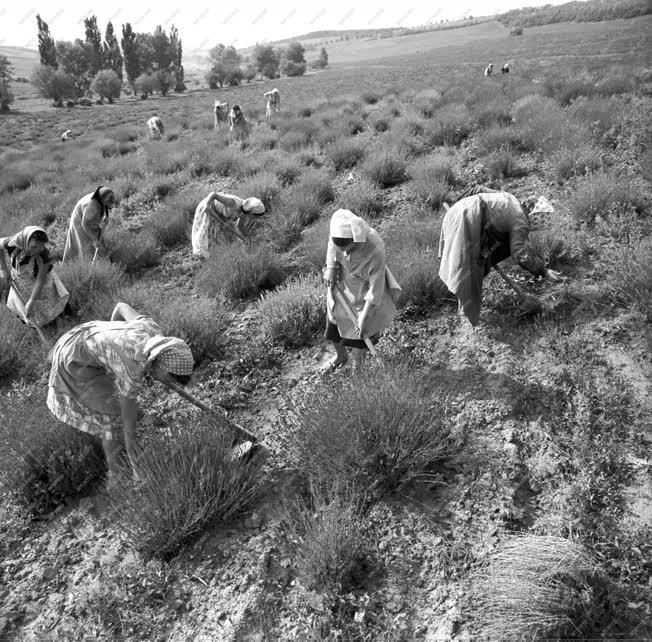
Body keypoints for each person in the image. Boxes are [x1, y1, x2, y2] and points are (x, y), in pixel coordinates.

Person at [47, 302, 195, 480]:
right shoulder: (132, 369)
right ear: (158, 364)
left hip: (81, 334)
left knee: (120, 402)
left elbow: (119, 307)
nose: (167, 383)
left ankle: (142, 421)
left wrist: (111, 352)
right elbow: (128, 429)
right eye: (167, 378)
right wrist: (138, 468)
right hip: (74, 360)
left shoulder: (151, 329)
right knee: (113, 418)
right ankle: (117, 474)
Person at [438, 189, 563, 326]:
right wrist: (543, 271)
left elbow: (479, 189)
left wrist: (460, 203)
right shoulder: (520, 219)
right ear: (533, 215)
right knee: (469, 266)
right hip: (468, 218)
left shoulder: (510, 197)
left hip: (458, 213)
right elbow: (520, 252)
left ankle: (465, 310)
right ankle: (467, 320)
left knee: (473, 261)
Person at [322, 209, 402, 373]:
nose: (345, 252)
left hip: (364, 290)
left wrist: (364, 316)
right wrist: (330, 267)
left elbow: (376, 287)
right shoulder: (338, 229)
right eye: (341, 248)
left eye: (349, 248)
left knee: (360, 332)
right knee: (333, 322)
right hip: (343, 284)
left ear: (356, 239)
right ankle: (341, 357)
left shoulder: (374, 248)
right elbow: (332, 245)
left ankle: (357, 368)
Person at [0, 225, 69, 329]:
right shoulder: (12, 243)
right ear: (25, 241)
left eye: (41, 246)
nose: (39, 249)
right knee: (30, 311)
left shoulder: (44, 255)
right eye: (34, 246)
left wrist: (31, 301)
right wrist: (3, 269)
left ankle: (61, 327)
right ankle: (45, 327)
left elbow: (40, 280)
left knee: (53, 305)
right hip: (22, 283)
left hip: (43, 283)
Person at [191, 192, 266, 257]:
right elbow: (213, 194)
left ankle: (212, 255)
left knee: (217, 236)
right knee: (203, 234)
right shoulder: (233, 203)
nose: (254, 218)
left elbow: (240, 226)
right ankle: (201, 256)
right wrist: (207, 204)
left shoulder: (244, 212)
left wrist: (247, 239)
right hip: (208, 208)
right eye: (255, 216)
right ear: (251, 212)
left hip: (218, 214)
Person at [62, 186, 115, 263]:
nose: (107, 205)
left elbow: (105, 207)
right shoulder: (92, 206)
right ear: (103, 200)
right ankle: (83, 266)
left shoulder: (102, 195)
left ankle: (104, 261)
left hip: (88, 219)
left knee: (98, 241)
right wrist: (94, 240)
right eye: (107, 203)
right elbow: (84, 224)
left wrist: (105, 218)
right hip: (80, 222)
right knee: (85, 245)